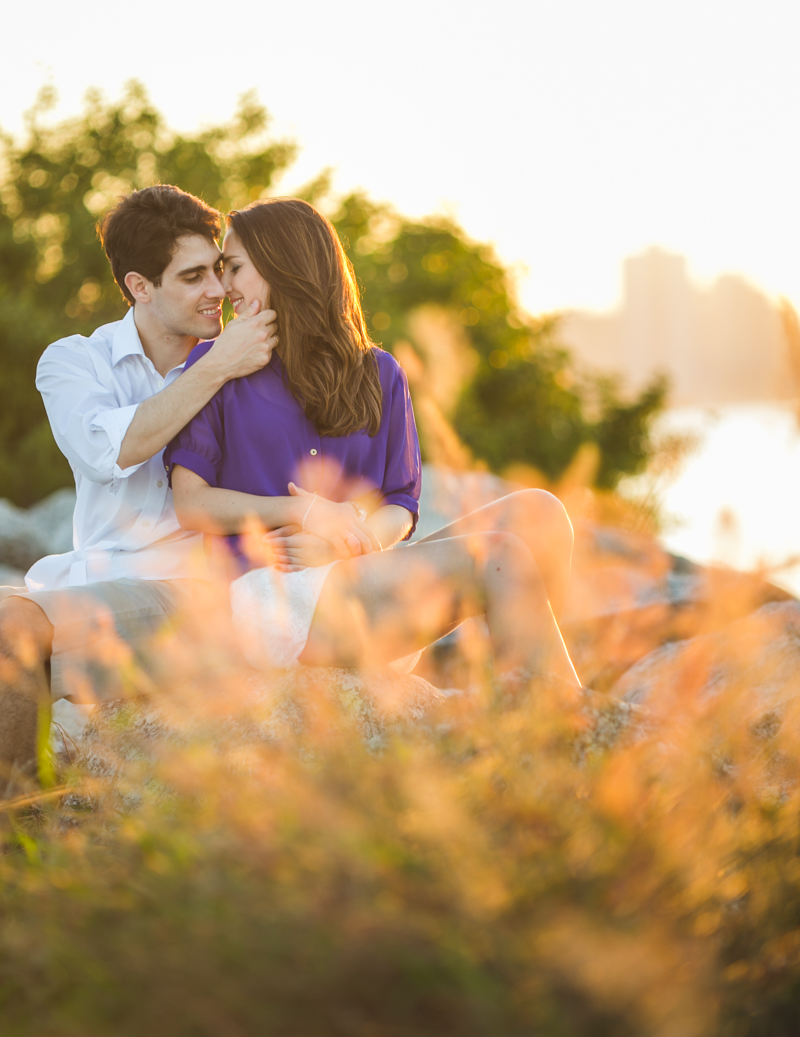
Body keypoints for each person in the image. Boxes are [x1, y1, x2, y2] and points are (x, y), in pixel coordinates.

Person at [166, 198, 580, 685]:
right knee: (500, 556)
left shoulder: (379, 372)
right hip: (273, 599)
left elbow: (400, 504)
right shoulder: (216, 367)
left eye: (233, 267)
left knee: (541, 513)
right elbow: (191, 504)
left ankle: (519, 685)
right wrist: (305, 512)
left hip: (361, 579)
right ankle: (563, 723)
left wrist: (347, 546)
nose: (223, 286)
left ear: (284, 264)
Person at [0, 184, 279, 796]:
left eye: (219, 269)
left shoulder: (248, 364)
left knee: (7, 626)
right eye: (192, 276)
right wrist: (217, 364)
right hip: (92, 581)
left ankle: (18, 818)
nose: (217, 291)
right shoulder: (74, 361)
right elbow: (109, 451)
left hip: (194, 590)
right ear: (139, 287)